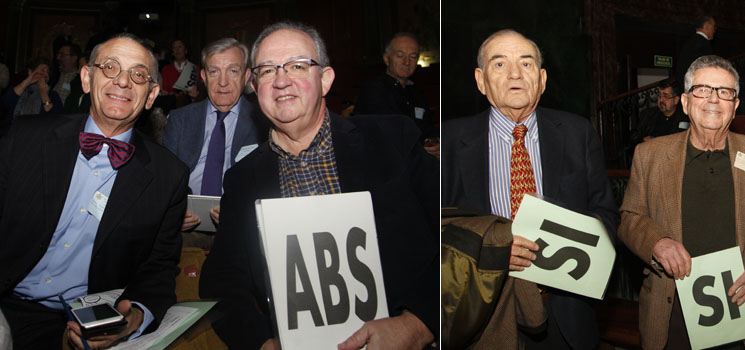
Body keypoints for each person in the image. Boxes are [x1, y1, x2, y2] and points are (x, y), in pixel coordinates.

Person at [198, 22, 438, 350]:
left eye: (297, 66)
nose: (281, 81)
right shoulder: (242, 179)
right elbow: (221, 280)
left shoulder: (391, 139)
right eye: (267, 71)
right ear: (254, 85)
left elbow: (451, 232)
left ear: (325, 79)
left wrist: (421, 324)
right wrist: (261, 342)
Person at [0, 33, 189, 350]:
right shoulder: (24, 138)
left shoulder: (168, 175)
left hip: (86, 321)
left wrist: (135, 317)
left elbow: (159, 268)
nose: (123, 82)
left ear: (152, 94)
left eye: (138, 75)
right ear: (87, 78)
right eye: (111, 67)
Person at [441, 29, 619, 349]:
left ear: (542, 78)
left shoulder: (578, 133)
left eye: (526, 63)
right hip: (484, 313)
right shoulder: (450, 142)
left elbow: (605, 214)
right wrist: (491, 252)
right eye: (499, 64)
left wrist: (572, 251)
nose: (514, 74)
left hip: (564, 313)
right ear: (480, 80)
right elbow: (438, 231)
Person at [618, 55, 745, 350]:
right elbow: (630, 217)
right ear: (685, 101)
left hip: (735, 309)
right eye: (703, 90)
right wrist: (657, 242)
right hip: (670, 313)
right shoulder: (650, 155)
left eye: (725, 92)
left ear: (735, 105)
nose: (713, 100)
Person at [163, 37, 265, 231]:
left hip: (241, 227)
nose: (223, 82)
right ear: (204, 76)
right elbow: (164, 181)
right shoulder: (180, 119)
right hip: (184, 226)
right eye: (214, 71)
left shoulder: (264, 124)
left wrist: (243, 212)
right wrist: (172, 212)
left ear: (246, 77)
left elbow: (270, 185)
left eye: (233, 71)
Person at [353, 32, 438, 156]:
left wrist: (435, 143)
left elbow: (427, 128)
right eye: (400, 55)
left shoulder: (416, 94)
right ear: (387, 59)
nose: (407, 62)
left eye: (413, 56)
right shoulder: (373, 90)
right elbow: (387, 133)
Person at [633, 78, 689, 144]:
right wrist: (642, 140)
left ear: (676, 100)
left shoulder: (685, 118)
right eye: (659, 95)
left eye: (666, 96)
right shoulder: (647, 115)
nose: (661, 100)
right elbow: (634, 137)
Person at [675, 16, 715, 83]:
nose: (714, 30)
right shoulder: (703, 44)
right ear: (706, 26)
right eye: (714, 27)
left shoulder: (690, 41)